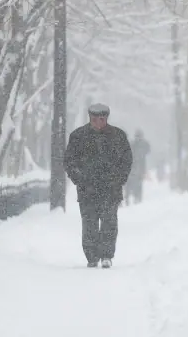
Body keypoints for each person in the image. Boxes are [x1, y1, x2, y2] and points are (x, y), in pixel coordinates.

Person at [64, 103, 133, 269]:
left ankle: (106, 255)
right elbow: (69, 161)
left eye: (101, 119)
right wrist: (79, 179)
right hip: (87, 189)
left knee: (109, 222)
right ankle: (92, 256)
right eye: (95, 119)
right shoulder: (78, 136)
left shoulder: (118, 136)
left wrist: (119, 179)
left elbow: (126, 161)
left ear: (106, 119)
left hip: (111, 188)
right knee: (90, 223)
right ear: (90, 119)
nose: (98, 123)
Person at [125, 129, 150, 205]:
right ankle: (136, 197)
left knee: (133, 183)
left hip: (136, 166)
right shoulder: (142, 144)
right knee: (136, 182)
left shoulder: (137, 144)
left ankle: (133, 197)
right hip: (136, 166)